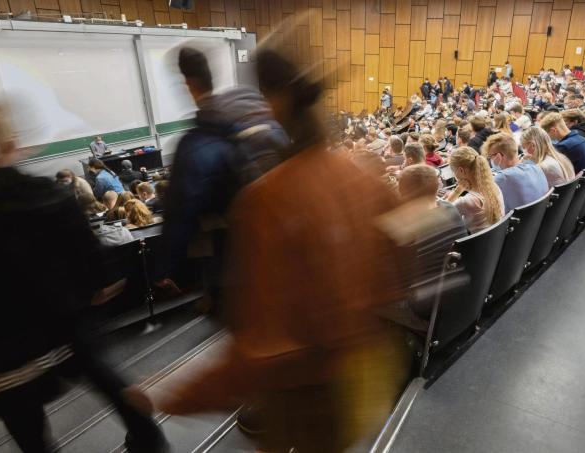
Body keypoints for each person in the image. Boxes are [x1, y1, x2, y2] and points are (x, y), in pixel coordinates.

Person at [152, 34, 413, 453]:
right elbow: (401, 257)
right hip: (362, 376)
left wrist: (178, 395)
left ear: (273, 100)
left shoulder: (265, 200)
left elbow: (262, 339)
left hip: (302, 395)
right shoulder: (360, 171)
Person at [0, 100, 167, 453]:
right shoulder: (52, 196)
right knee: (106, 379)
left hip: (7, 354)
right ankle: (149, 436)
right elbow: (95, 270)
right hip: (68, 330)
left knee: (28, 428)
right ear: (12, 145)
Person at [162, 46, 289, 311]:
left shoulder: (195, 144)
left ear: (187, 84)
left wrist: (166, 269)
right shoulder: (258, 113)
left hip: (234, 262)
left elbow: (179, 211)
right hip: (279, 243)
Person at [391, 164, 468, 321]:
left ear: (402, 192)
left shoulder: (402, 228)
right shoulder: (451, 209)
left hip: (422, 304)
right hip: (458, 293)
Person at [482, 133, 548, 213]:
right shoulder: (535, 167)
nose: (490, 160)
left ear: (499, 156)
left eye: (490, 156)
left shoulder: (501, 178)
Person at [445, 146, 505, 233]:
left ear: (461, 170)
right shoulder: (494, 186)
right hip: (496, 241)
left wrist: (456, 192)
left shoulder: (467, 201)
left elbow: (442, 214)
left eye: (454, 172)